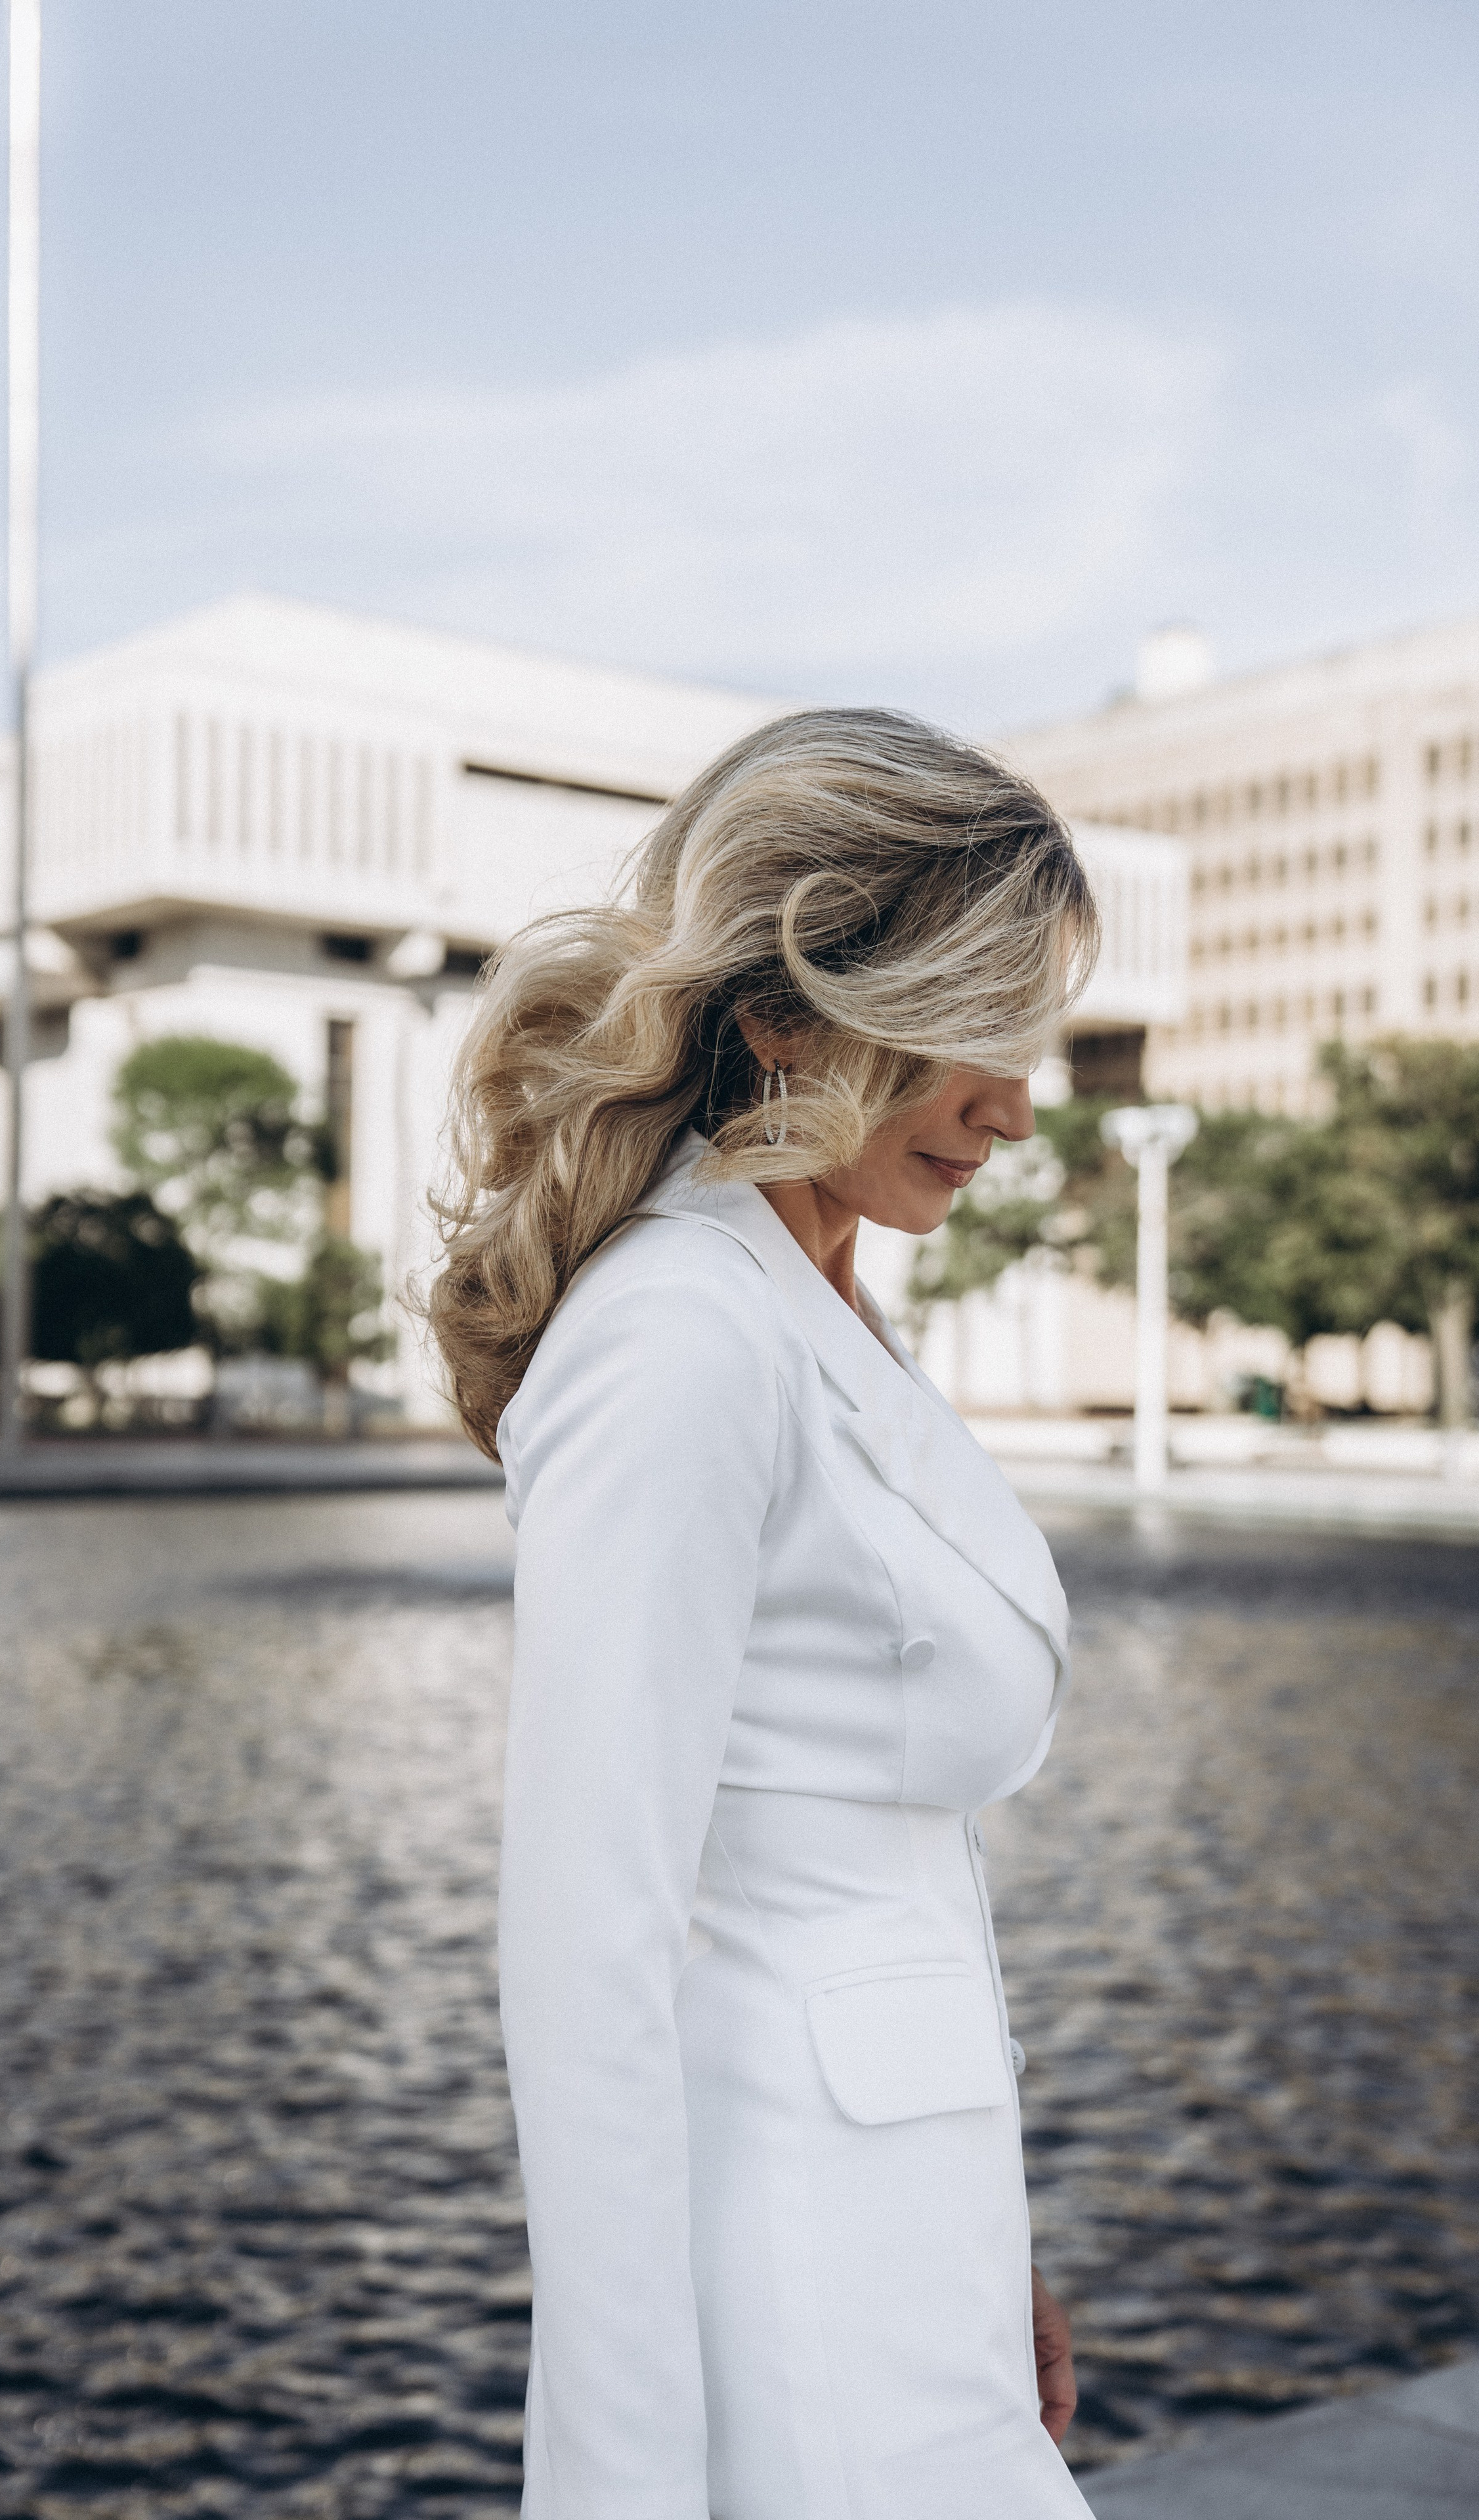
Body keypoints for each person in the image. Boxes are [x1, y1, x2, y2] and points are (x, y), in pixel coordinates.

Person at [429, 708, 1100, 2518]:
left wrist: (987, 2246)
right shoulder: (681, 1334)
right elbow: (587, 1966)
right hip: (794, 2308)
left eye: (1024, 1035)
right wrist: (626, 2488)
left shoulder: (819, 1311)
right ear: (782, 1017)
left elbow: (860, 1868)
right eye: (968, 1028)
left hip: (906, 2264)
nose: (1013, 1106)